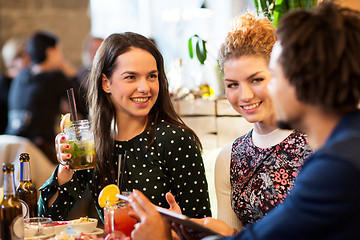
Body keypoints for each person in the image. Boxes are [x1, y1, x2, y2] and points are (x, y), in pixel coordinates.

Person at [127, 2, 360, 240]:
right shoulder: (345, 144)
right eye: (232, 84)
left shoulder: (336, 164)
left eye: (275, 75)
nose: (247, 95)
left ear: (307, 80)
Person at [38, 32, 212, 222]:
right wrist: (66, 169)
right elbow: (48, 218)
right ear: (106, 83)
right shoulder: (92, 144)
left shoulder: (175, 140)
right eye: (131, 77)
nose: (145, 87)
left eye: (152, 76)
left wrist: (176, 227)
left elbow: (203, 224)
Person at [214, 13, 311, 230]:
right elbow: (231, 234)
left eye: (256, 80)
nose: (245, 96)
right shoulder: (229, 158)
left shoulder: (318, 141)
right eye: (232, 85)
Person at [6, 31, 78, 164]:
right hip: (38, 150)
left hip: (11, 147)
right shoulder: (55, 77)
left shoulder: (22, 75)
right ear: (50, 52)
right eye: (59, 51)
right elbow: (81, 102)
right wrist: (73, 75)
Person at [0, 36, 30, 134]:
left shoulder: (26, 81)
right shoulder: (3, 83)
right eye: (25, 56)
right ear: (13, 59)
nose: (30, 60)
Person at [77, 35, 104, 118]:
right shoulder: (83, 71)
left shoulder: (112, 72)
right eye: (92, 50)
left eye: (98, 50)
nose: (95, 53)